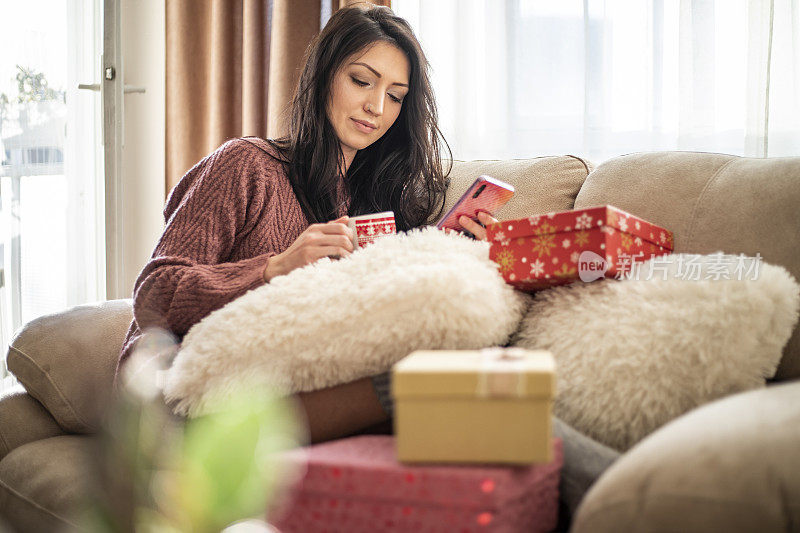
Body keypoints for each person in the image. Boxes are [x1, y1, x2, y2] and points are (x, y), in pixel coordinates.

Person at [117, 4, 499, 443]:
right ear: (324, 76)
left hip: (294, 386)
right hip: (180, 403)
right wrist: (274, 268)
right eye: (361, 81)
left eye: (395, 96)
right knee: (426, 390)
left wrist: (454, 251)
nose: (376, 106)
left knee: (470, 386)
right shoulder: (247, 166)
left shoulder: (375, 202)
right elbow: (154, 293)